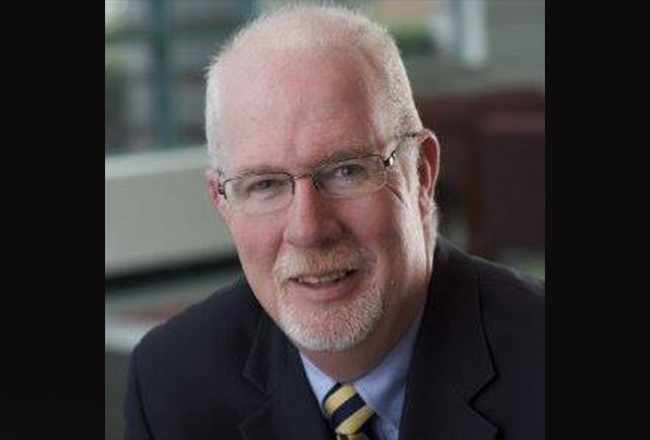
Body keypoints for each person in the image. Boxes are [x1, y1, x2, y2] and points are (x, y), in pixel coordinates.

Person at [124, 5, 544, 440]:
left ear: (421, 173)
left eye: (346, 171)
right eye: (265, 184)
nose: (307, 229)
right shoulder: (170, 385)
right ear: (222, 202)